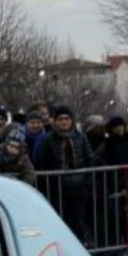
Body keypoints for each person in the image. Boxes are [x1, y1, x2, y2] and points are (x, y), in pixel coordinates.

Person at [35, 106, 96, 247]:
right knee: (61, 221)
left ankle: (79, 249)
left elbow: (90, 158)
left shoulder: (80, 137)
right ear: (55, 121)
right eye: (60, 119)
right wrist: (51, 180)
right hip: (58, 188)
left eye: (67, 119)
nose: (64, 122)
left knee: (78, 221)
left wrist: (86, 180)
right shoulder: (48, 139)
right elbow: (40, 162)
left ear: (71, 120)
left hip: (79, 187)